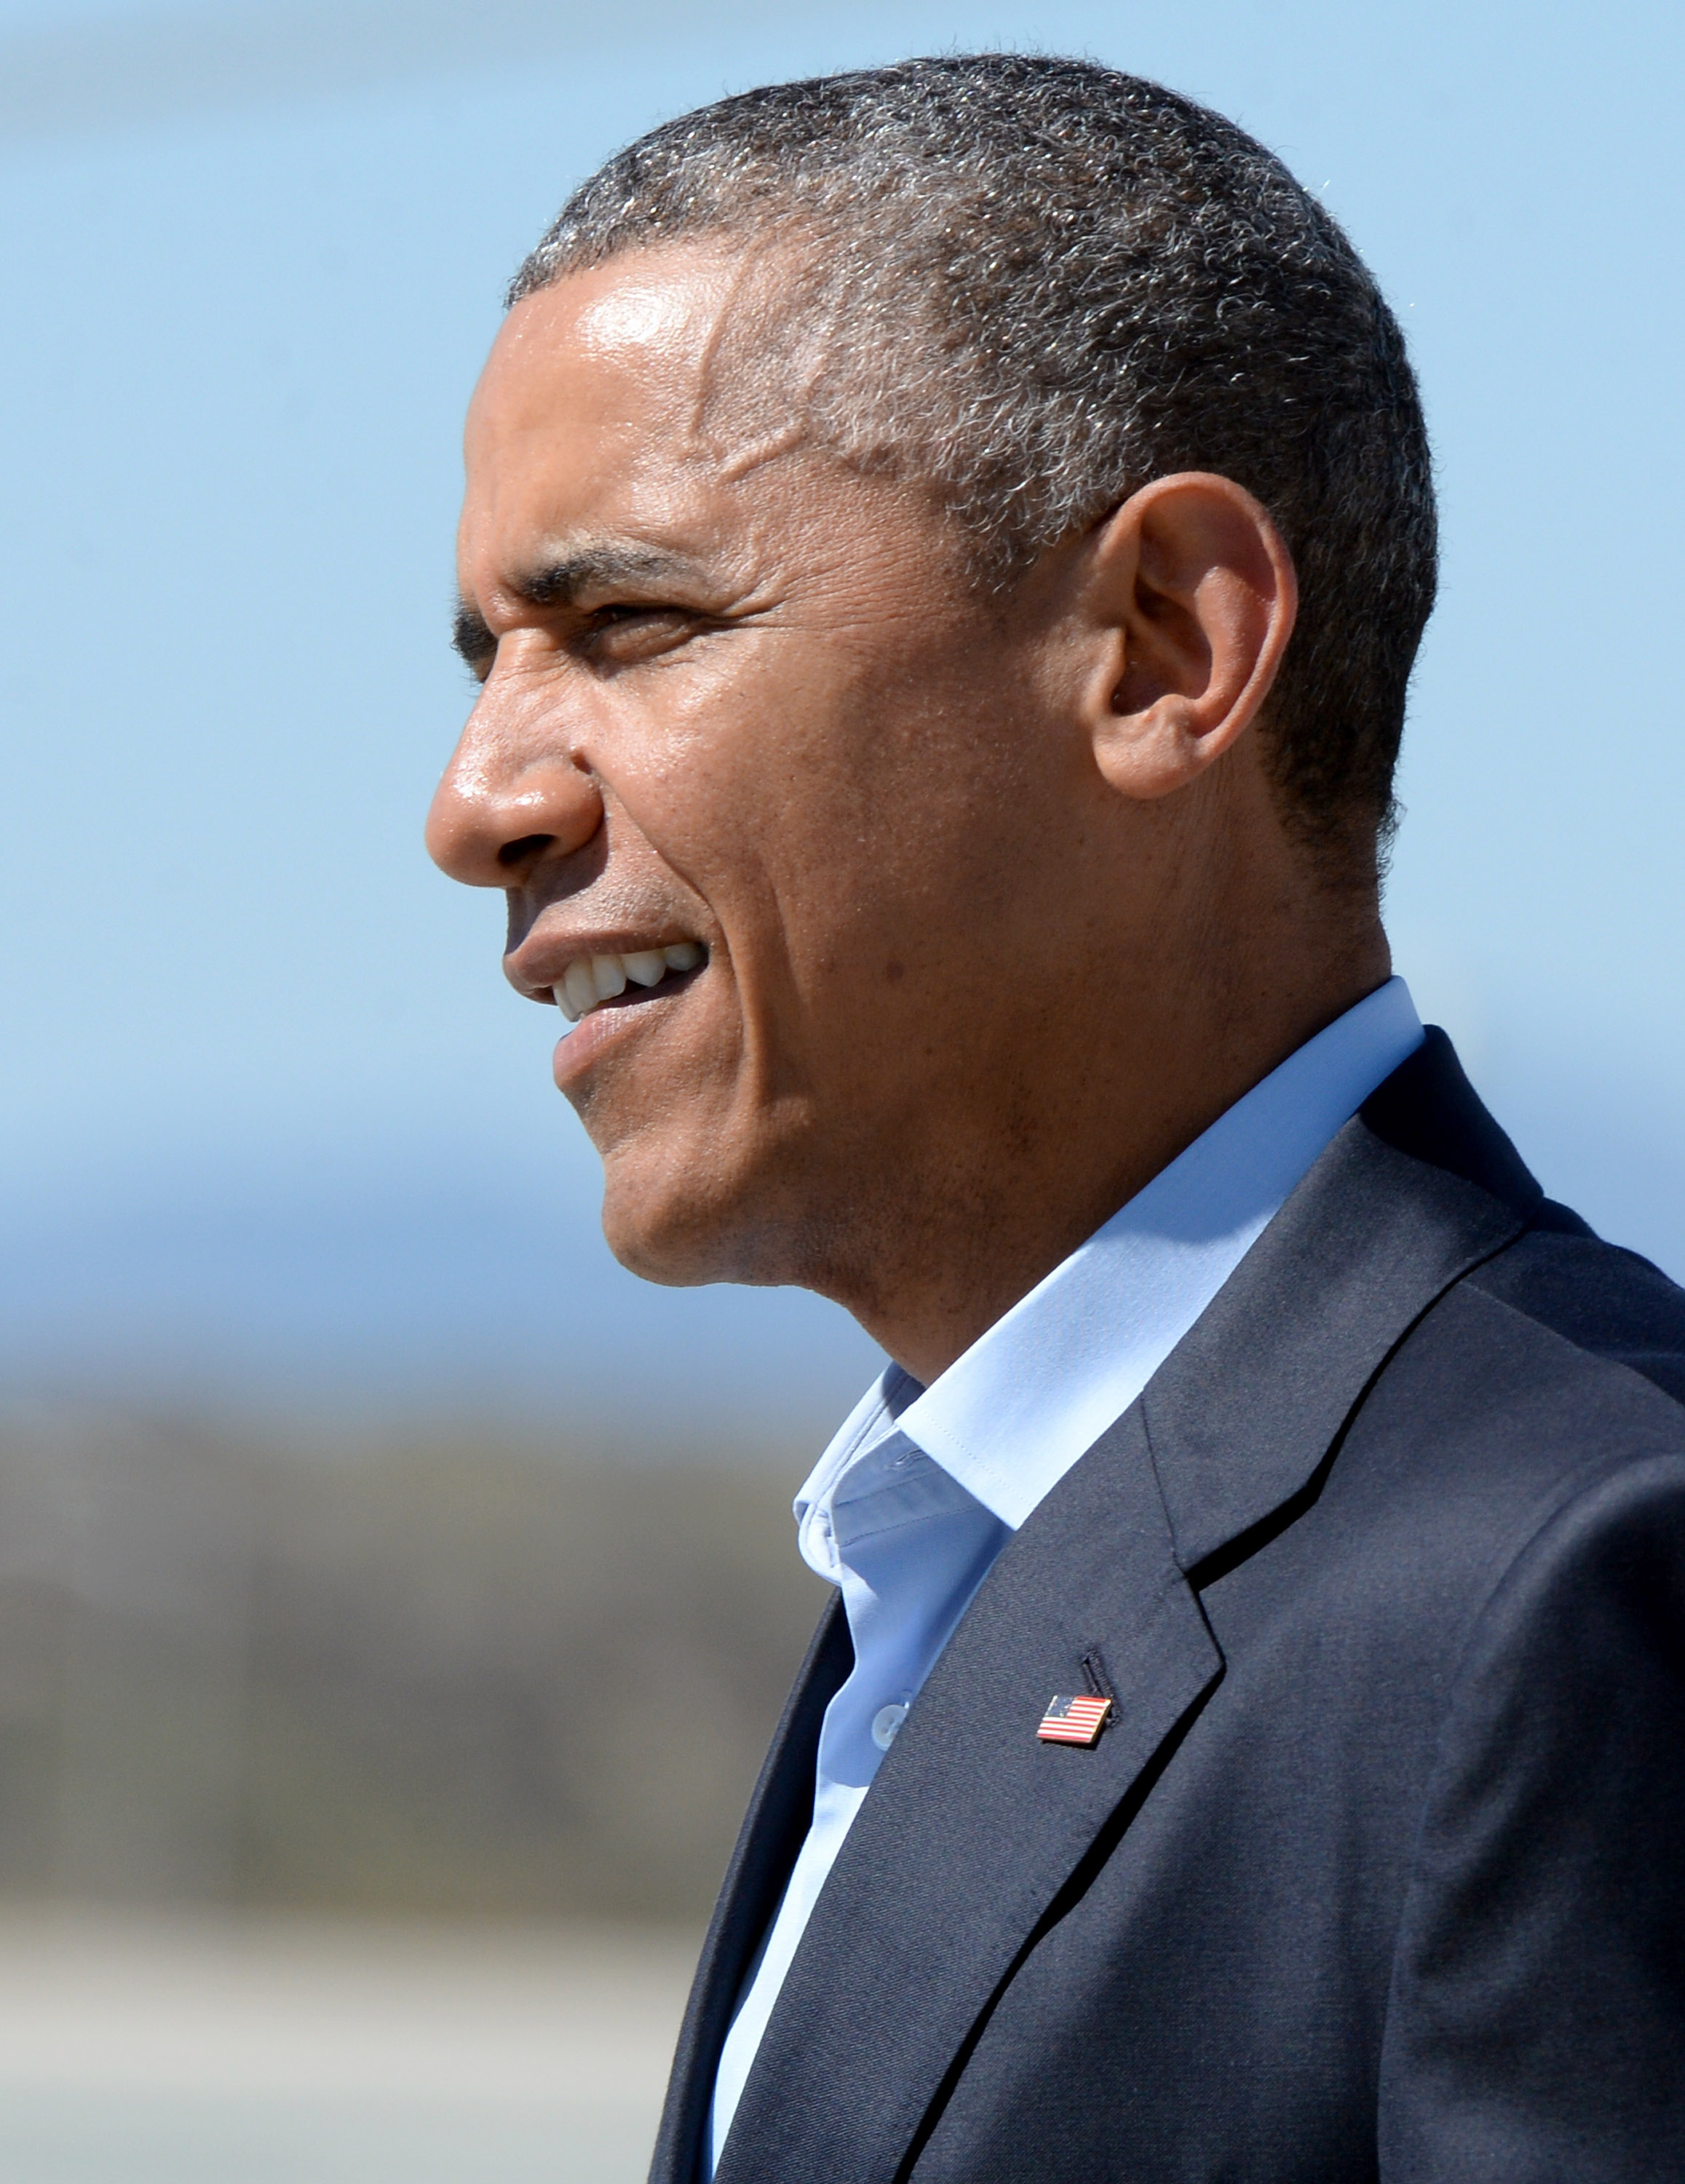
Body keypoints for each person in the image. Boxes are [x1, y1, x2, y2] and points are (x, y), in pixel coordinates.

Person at [425, 54, 1685, 2184]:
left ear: (1161, 647)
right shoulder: (953, 1566)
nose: (480, 804)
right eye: (483, 662)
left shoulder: (1576, 1586)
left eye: (626, 626)